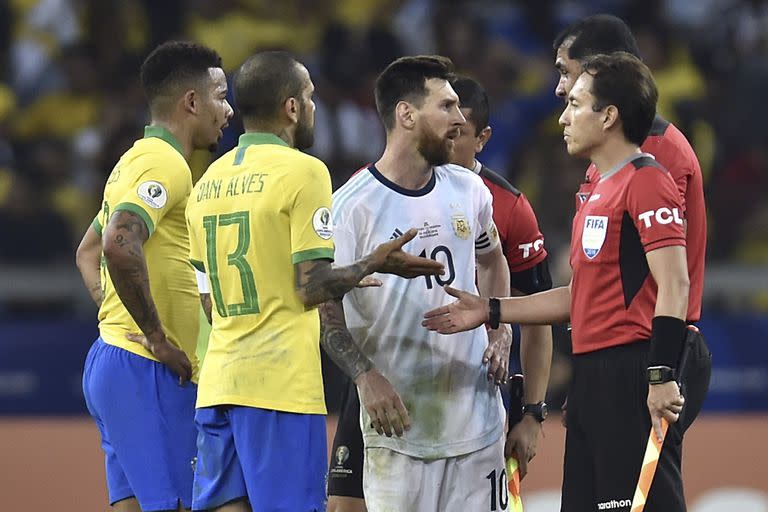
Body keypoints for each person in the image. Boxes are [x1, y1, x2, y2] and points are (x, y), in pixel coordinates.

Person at [423, 52, 711, 512]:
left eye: (576, 104)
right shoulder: (599, 188)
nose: (563, 117)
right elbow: (581, 297)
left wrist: (660, 375)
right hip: (593, 375)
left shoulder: (648, 181)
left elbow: (674, 284)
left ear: (610, 116)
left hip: (632, 372)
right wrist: (491, 309)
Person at [184, 51, 444, 512]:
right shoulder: (304, 171)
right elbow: (312, 286)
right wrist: (372, 263)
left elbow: (206, 300)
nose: (313, 108)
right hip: (278, 387)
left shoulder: (206, 182)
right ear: (290, 108)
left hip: (219, 383)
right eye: (309, 97)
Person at [326, 74, 553, 512]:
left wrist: (497, 326)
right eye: (446, 107)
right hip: (399, 431)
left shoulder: (470, 190)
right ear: (406, 114)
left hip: (478, 427)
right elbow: (324, 305)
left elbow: (492, 261)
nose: (457, 119)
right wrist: (363, 377)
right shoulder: (352, 205)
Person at [75, 41, 233, 512]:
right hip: (146, 369)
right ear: (191, 102)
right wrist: (155, 335)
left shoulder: (133, 160)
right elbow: (117, 242)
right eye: (221, 96)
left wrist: (115, 315)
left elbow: (87, 252)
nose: (228, 110)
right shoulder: (166, 164)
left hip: (115, 362)